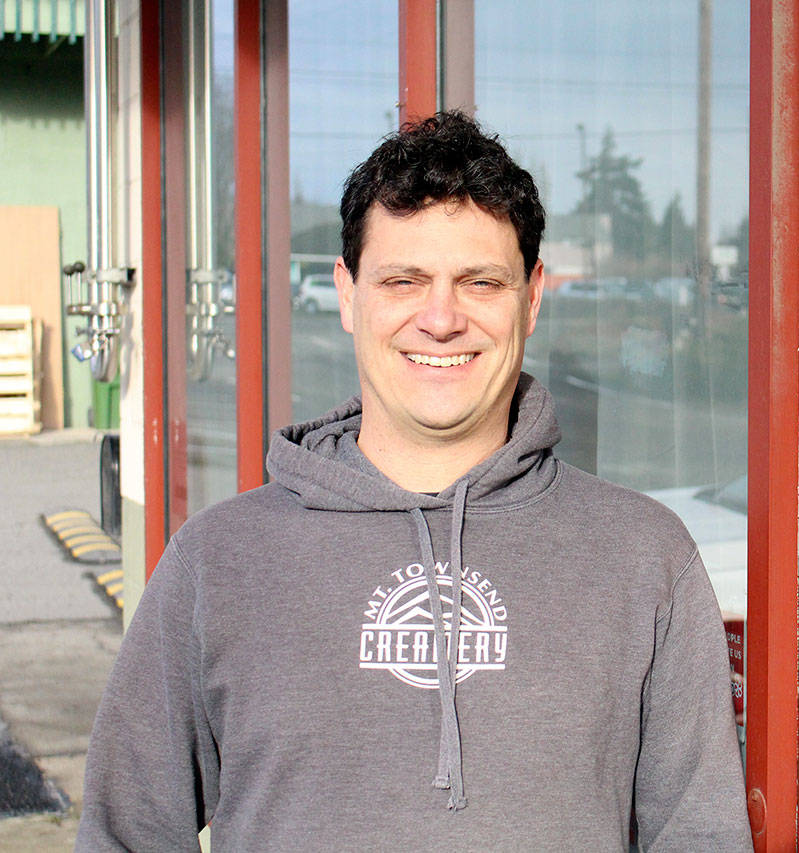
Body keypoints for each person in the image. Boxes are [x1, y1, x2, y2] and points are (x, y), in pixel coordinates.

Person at [76, 111, 752, 851]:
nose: (440, 318)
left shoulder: (646, 559)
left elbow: (703, 835)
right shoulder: (219, 560)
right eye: (404, 279)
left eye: (479, 282)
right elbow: (126, 832)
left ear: (530, 297)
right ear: (347, 292)